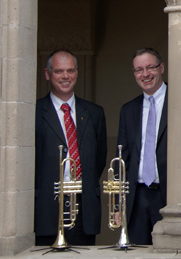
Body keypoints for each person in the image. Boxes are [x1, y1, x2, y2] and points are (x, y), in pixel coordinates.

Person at [116, 48, 181, 245]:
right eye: (139, 70)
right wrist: (119, 204)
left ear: (162, 68)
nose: (145, 74)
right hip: (137, 198)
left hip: (175, 196)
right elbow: (122, 160)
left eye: (150, 67)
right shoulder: (128, 110)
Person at [35, 49, 107, 246]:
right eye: (59, 71)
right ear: (48, 74)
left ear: (77, 73)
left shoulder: (94, 113)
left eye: (70, 70)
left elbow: (99, 159)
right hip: (45, 209)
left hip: (84, 209)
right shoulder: (33, 112)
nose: (65, 76)